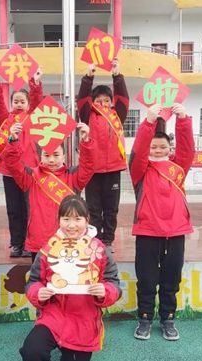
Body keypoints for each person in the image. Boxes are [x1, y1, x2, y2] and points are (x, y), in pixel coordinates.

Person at [19, 195, 122, 361]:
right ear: (59, 220)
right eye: (66, 219)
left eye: (77, 219)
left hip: (83, 320)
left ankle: (68, 354)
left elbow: (114, 283)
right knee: (31, 350)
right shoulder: (48, 248)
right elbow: (33, 282)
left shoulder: (99, 249)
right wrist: (39, 293)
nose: (71, 225)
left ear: (87, 220)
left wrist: (105, 291)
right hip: (53, 316)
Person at [129, 103, 194, 341]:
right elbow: (138, 151)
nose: (158, 150)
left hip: (175, 232)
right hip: (147, 231)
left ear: (169, 148)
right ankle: (144, 319)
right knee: (146, 279)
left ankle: (168, 319)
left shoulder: (178, 168)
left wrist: (183, 119)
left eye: (163, 146)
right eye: (154, 146)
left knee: (171, 279)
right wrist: (148, 123)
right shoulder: (140, 170)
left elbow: (187, 150)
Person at [2, 122, 94, 262]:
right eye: (47, 155)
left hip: (68, 239)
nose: (51, 160)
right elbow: (12, 164)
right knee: (40, 276)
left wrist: (86, 141)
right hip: (39, 241)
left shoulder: (73, 176)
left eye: (56, 155)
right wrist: (13, 140)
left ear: (64, 156)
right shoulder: (31, 177)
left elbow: (88, 165)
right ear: (41, 156)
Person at [0, 66, 44, 258]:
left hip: (29, 171)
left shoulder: (33, 118)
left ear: (28, 104)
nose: (19, 104)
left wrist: (35, 83)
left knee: (30, 209)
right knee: (13, 210)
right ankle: (16, 244)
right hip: (9, 171)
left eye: (22, 101)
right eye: (16, 101)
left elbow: (38, 101)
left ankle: (29, 244)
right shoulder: (5, 120)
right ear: (11, 103)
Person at [77, 58, 129, 251]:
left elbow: (123, 98)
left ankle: (107, 241)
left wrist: (117, 75)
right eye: (98, 100)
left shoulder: (117, 115)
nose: (103, 103)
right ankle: (95, 239)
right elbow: (82, 98)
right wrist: (88, 77)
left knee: (111, 209)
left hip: (113, 169)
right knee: (93, 209)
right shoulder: (87, 114)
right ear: (93, 102)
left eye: (107, 100)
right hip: (92, 170)